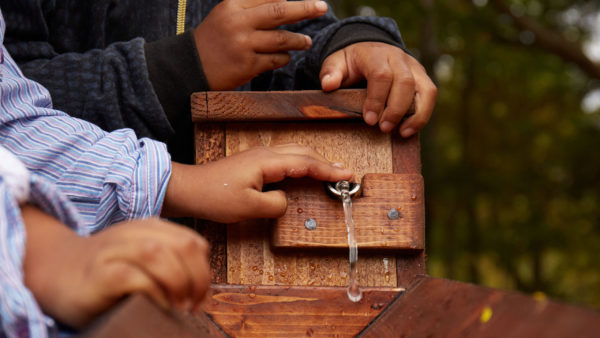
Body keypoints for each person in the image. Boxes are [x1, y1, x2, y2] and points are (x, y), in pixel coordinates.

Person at [0, 10, 353, 338]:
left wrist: (355, 40)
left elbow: (12, 112)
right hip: (52, 314)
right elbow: (31, 81)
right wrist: (183, 66)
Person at [0, 0, 437, 161]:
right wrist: (185, 67)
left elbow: (301, 37)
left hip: (228, 265)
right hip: (49, 288)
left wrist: (356, 41)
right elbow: (13, 99)